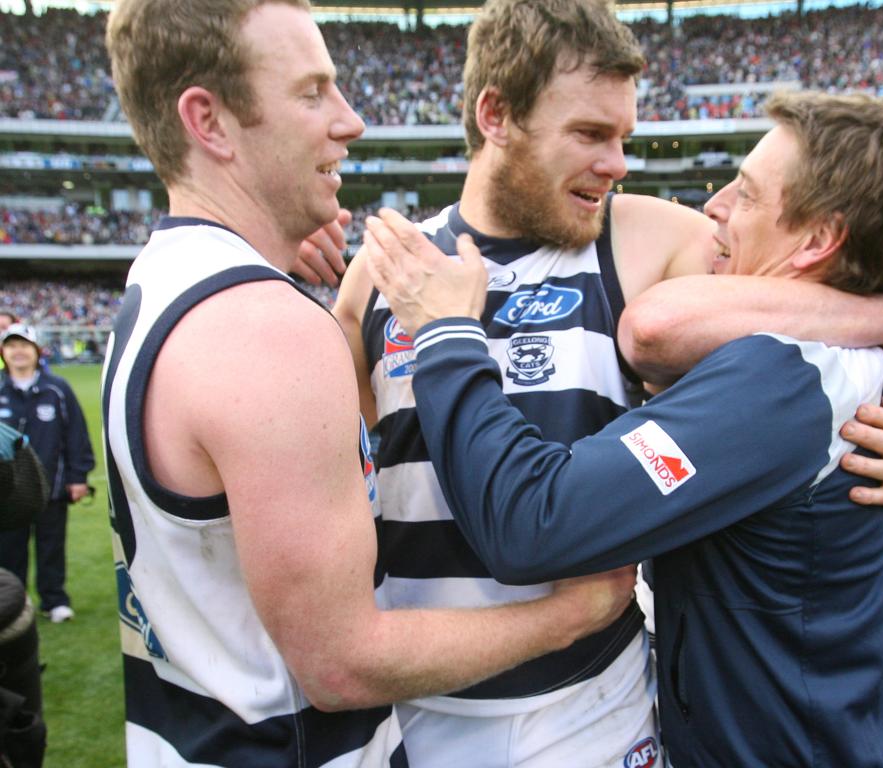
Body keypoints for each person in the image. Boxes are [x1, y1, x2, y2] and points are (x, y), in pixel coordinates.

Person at [329, 4, 883, 764]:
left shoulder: (655, 240)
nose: (619, 162)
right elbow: (351, 491)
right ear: (495, 115)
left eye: (625, 137)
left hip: (600, 708)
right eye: (590, 135)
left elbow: (831, 273)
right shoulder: (382, 273)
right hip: (426, 712)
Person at [103, 1, 634, 766]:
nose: (349, 121)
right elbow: (341, 663)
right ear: (209, 122)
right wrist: (572, 615)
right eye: (312, 92)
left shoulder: (162, 282)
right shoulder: (267, 330)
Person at [0, 323, 93, 624]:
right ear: (3, 352)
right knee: (9, 551)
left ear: (37, 351)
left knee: (51, 547)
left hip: (51, 488)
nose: (18, 351)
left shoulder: (57, 389)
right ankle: (15, 605)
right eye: (12, 345)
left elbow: (76, 434)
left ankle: (54, 601)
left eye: (24, 345)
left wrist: (79, 476)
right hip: (8, 493)